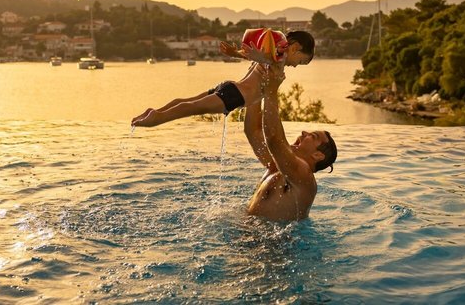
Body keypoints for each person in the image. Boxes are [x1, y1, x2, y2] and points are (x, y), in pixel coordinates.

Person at [131, 30, 315, 127]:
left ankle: (155, 111)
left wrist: (236, 53)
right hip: (235, 96)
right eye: (301, 61)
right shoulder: (279, 58)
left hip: (230, 88)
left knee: (189, 101)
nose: (296, 66)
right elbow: (268, 59)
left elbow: (261, 57)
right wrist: (258, 56)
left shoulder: (273, 51)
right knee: (192, 107)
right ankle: (157, 117)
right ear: (295, 48)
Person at [245, 64, 337, 221]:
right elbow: (253, 131)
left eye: (312, 136)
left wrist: (271, 89)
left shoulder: (304, 176)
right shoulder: (276, 165)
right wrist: (256, 80)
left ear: (317, 155)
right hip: (249, 232)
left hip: (274, 238)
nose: (304, 133)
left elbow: (274, 140)